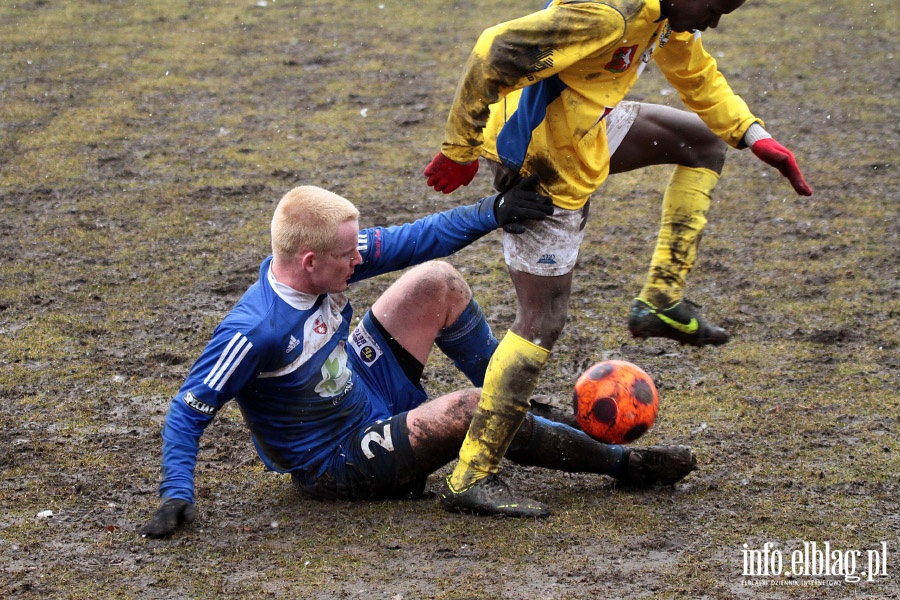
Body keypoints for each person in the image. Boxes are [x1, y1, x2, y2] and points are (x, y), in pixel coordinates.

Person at [423, 0, 811, 515]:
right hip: (544, 157)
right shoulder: (611, 13)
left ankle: (660, 300)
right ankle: (472, 475)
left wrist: (753, 135)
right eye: (717, 5)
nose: (717, 19)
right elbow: (495, 49)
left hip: (585, 124)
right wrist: (461, 147)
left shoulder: (668, 12)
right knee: (542, 321)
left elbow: (691, 67)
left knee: (703, 144)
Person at [141, 181, 696, 536]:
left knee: (437, 282)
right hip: (336, 461)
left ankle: (526, 413)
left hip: (366, 391)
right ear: (309, 261)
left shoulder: (333, 263)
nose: (358, 257)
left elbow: (420, 239)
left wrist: (494, 209)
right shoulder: (256, 330)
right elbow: (188, 411)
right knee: (469, 410)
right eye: (347, 253)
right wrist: (176, 494)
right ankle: (623, 466)